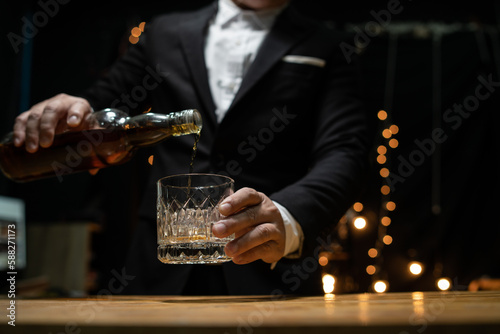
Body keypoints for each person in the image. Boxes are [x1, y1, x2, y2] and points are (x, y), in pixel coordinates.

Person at [12, 0, 369, 295]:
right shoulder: (163, 32)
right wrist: (72, 109)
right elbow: (101, 105)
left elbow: (345, 152)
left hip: (270, 272)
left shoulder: (327, 45)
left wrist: (287, 216)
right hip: (156, 269)